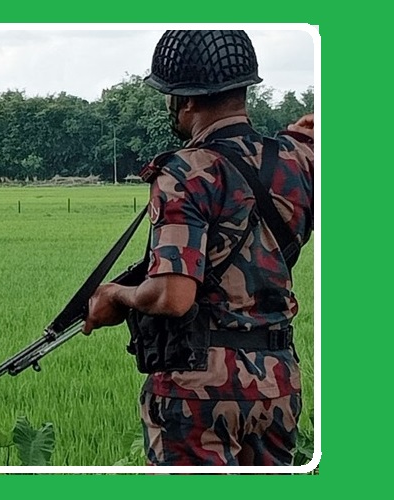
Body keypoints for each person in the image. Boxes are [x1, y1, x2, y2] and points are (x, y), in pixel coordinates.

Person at [81, 30, 315, 466]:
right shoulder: (299, 159)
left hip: (199, 394)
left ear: (185, 101)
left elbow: (173, 295)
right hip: (278, 385)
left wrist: (117, 295)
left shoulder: (186, 172)